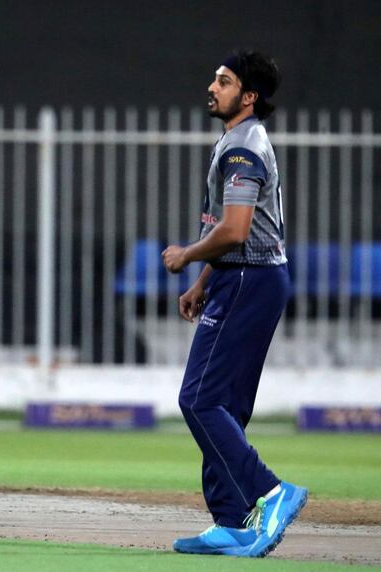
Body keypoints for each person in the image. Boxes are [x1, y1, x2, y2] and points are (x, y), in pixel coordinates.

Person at [162, 51, 307, 558]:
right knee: (225, 406)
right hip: (248, 277)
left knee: (199, 399)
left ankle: (271, 492)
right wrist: (205, 279)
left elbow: (236, 230)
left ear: (248, 96)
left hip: (251, 280)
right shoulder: (238, 139)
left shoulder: (242, 147)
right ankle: (231, 520)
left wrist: (186, 256)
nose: (212, 86)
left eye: (223, 81)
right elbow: (235, 234)